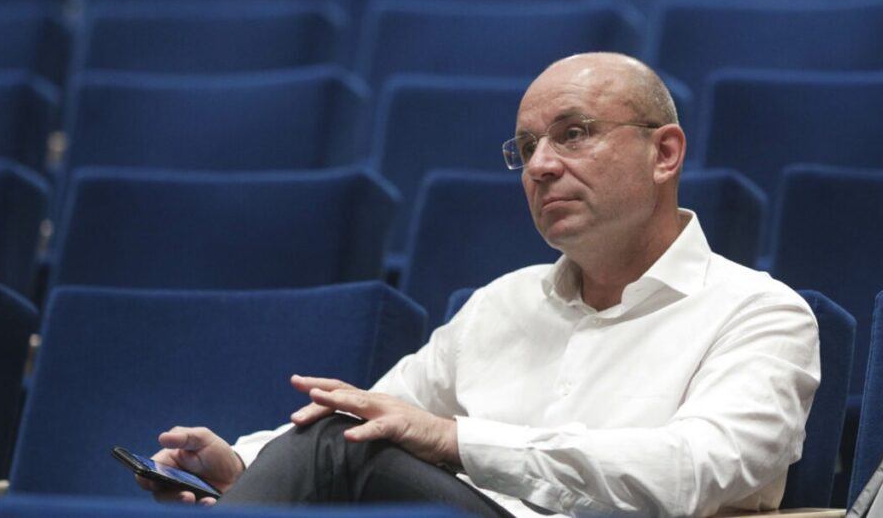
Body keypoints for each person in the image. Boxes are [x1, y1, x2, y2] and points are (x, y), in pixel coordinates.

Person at [140, 52, 820, 517]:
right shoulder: (503, 304)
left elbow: (694, 468)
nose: (541, 166)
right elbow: (377, 412)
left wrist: (458, 441)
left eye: (573, 134)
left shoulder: (759, 312)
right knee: (339, 439)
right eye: (526, 148)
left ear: (664, 153)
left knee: (337, 450)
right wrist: (242, 464)